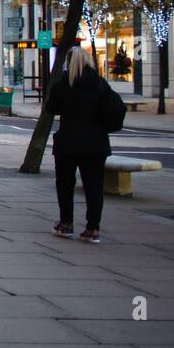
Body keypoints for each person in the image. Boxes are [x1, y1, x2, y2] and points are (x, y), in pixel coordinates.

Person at [48, 46, 122, 243]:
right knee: (94, 185)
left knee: (65, 183)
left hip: (68, 142)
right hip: (95, 143)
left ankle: (66, 223)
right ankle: (93, 228)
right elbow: (114, 106)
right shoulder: (100, 84)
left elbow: (50, 108)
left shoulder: (63, 84)